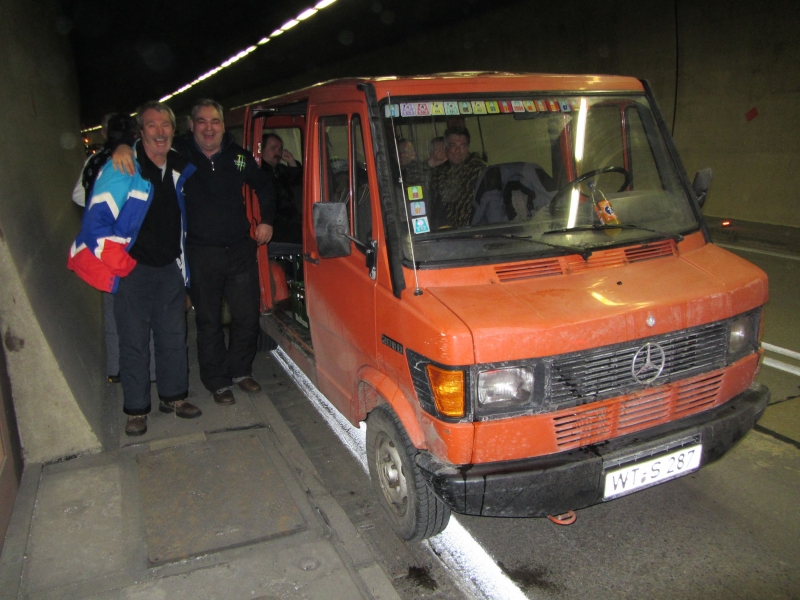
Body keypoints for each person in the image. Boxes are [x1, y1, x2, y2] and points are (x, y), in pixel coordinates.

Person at [115, 99, 276, 406]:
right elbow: (149, 144)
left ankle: (241, 370)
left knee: (246, 315)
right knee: (208, 319)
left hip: (240, 249)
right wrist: (123, 146)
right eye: (201, 122)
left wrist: (266, 220)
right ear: (191, 126)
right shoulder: (180, 155)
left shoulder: (239, 158)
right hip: (200, 253)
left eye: (214, 121)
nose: (208, 128)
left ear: (222, 125)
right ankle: (217, 382)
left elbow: (263, 184)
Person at [68, 101, 201, 436]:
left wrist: (185, 274)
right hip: (133, 270)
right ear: (141, 132)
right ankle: (136, 409)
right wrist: (120, 265)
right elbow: (95, 223)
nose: (160, 132)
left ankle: (173, 397)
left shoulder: (178, 166)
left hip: (169, 268)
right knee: (133, 341)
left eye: (165, 125)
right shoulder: (123, 168)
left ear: (174, 130)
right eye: (152, 126)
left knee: (174, 337)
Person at [71, 114, 143, 384]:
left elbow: (77, 195)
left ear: (105, 134)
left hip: (100, 246)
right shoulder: (134, 158)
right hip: (127, 243)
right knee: (139, 312)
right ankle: (146, 369)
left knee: (113, 312)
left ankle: (116, 369)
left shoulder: (94, 161)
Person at [429, 126, 487, 228]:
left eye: (463, 146)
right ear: (445, 147)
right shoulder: (439, 170)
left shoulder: (477, 169)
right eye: (453, 145)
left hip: (469, 231)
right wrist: (431, 164)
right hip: (440, 231)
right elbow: (415, 188)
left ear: (468, 147)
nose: (458, 151)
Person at [261, 133, 303, 245]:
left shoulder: (281, 170)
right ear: (262, 149)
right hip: (275, 224)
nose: (278, 152)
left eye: (280, 149)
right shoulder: (259, 172)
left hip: (292, 221)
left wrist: (292, 163)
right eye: (273, 148)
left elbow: (299, 185)